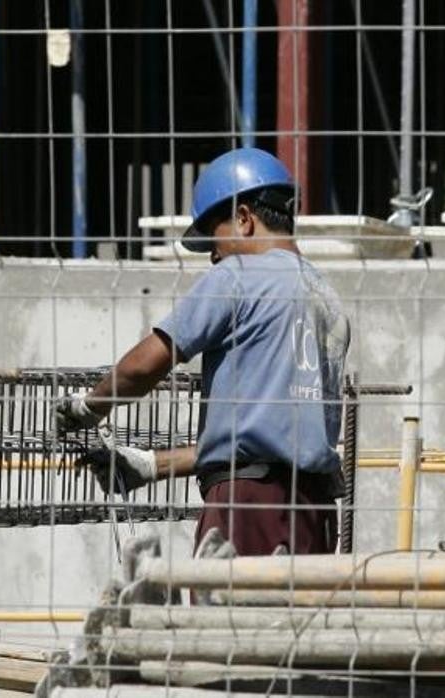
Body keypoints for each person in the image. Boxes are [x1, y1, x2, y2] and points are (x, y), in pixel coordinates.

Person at [55, 147, 350, 556]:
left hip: (246, 506)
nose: (213, 255)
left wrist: (90, 405)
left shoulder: (239, 275)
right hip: (314, 512)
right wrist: (153, 464)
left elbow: (143, 366)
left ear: (244, 218)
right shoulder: (327, 301)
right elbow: (270, 438)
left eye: (214, 237)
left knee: (225, 600)